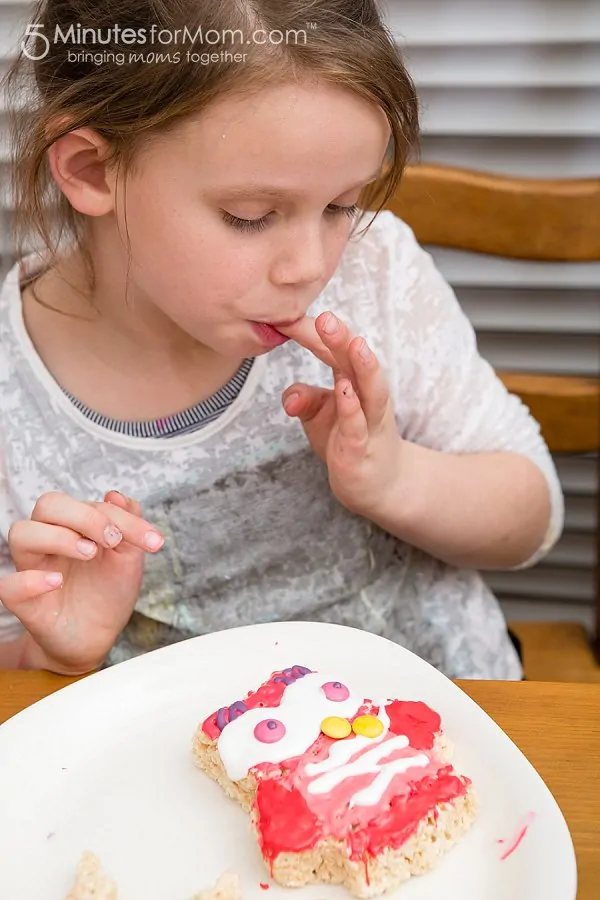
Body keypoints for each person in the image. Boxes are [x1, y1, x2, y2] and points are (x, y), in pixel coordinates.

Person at [0, 0, 563, 680]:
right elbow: (23, 677)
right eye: (252, 216)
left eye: (340, 205)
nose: (309, 266)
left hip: (447, 715)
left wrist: (394, 480)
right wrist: (59, 654)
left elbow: (532, 516)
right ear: (91, 169)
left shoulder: (371, 271)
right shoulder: (14, 397)